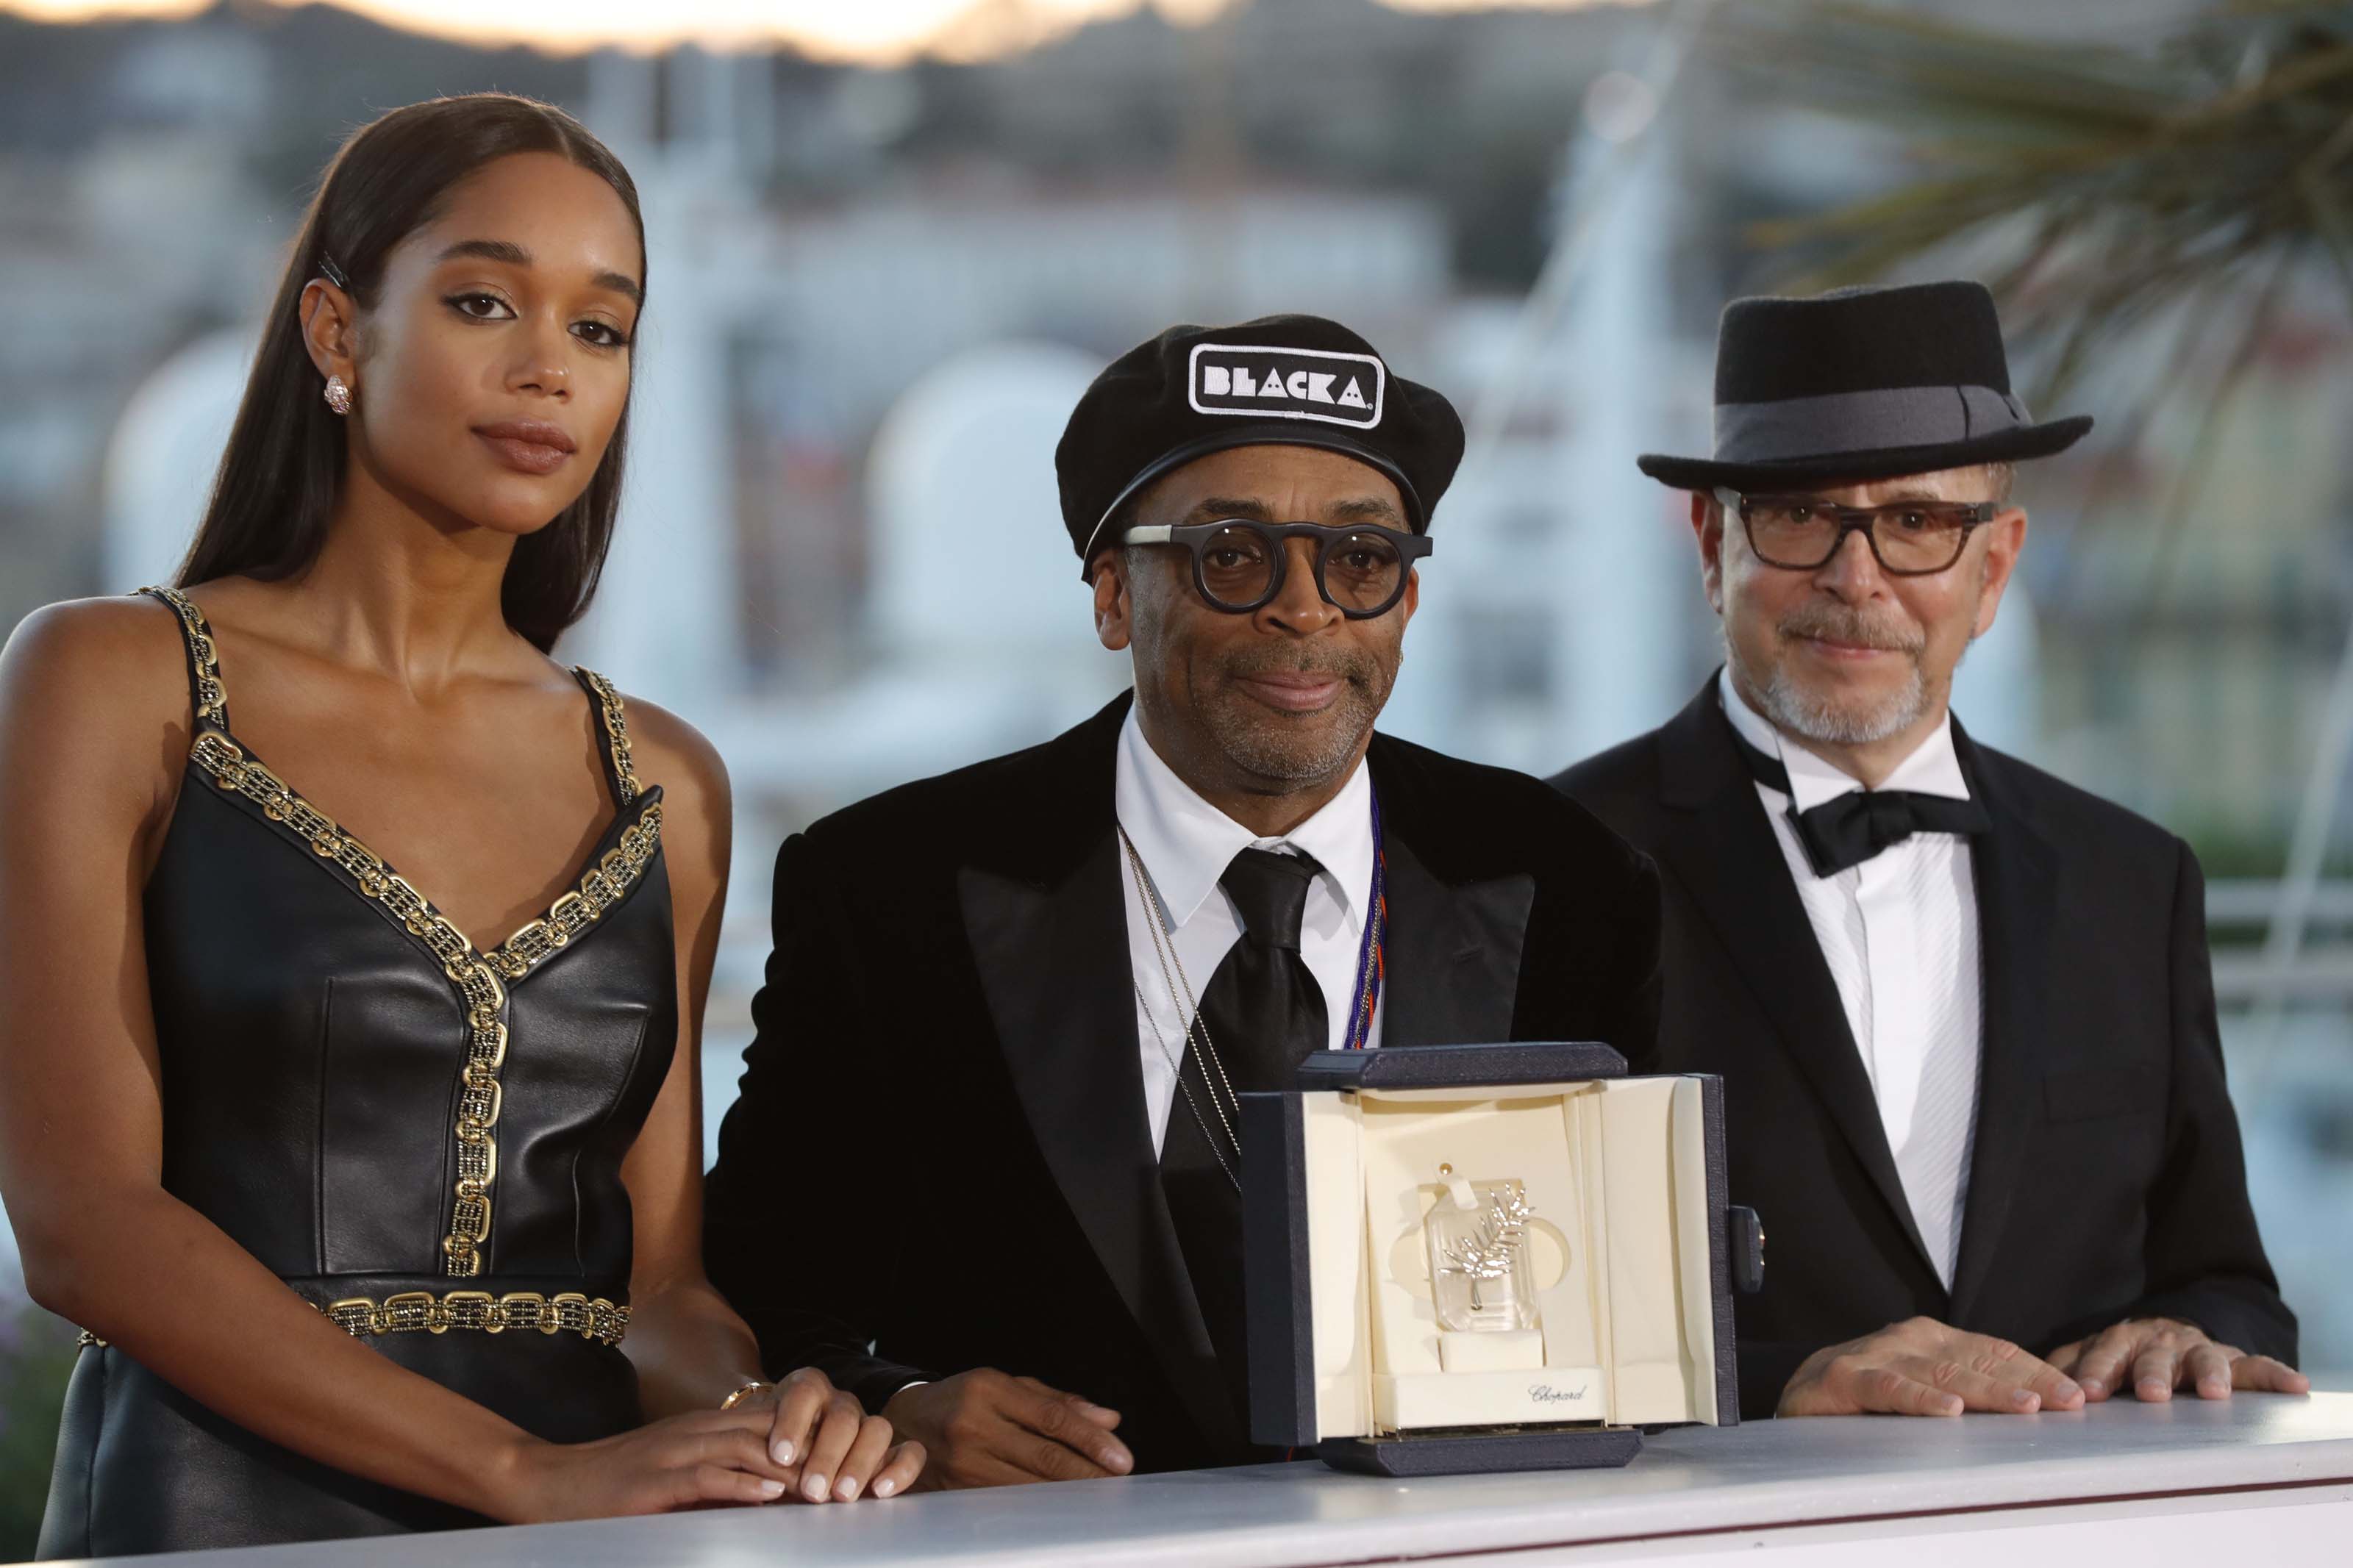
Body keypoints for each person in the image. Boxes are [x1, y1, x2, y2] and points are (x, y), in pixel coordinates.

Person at [0, 95, 919, 1557]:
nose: (547, 367)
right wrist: (513, 1469)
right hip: (218, 1511)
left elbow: (659, 1286)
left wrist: (779, 1413)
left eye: (602, 329)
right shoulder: (111, 680)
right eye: (484, 300)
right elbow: (84, 1224)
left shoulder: (662, 780)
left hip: (594, 1525)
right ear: (334, 332)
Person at [704, 315, 1662, 1486]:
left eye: (1359, 561)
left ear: (1407, 603)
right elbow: (752, 1284)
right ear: (1114, 595)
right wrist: (891, 1406)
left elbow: (1640, 1298)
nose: (1306, 611)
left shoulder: (1568, 873)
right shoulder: (891, 890)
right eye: (1234, 556)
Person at [1552, 280, 2305, 1421]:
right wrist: (1777, 1385)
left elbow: (2230, 1286)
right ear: (1713, 547)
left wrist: (2190, 1331)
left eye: (1916, 522)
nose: (1858, 580)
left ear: (1993, 568)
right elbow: (1481, 1320)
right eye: (1802, 516)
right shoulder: (1537, 869)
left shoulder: (2135, 882)